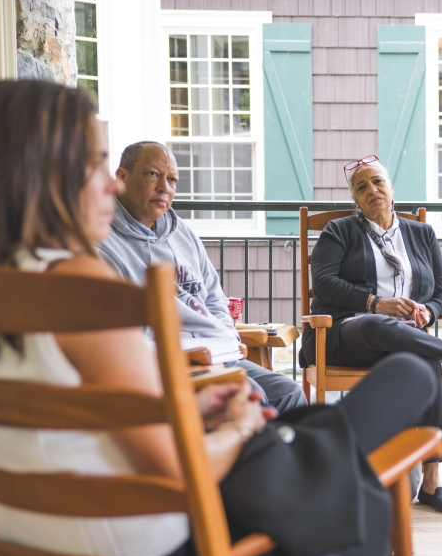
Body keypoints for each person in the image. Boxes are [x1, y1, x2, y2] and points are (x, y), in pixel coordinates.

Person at [0, 80, 440, 556]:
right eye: (98, 163)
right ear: (43, 175)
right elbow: (177, 472)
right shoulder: (74, 286)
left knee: (311, 431)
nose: (113, 182)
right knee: (373, 427)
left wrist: (194, 414)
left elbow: (77, 435)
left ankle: (315, 448)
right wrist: (236, 427)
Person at [302, 154, 442, 513]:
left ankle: (432, 482)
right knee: (381, 325)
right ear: (355, 200)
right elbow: (325, 284)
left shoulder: (422, 233)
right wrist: (376, 303)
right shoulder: (340, 231)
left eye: (377, 181)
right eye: (361, 187)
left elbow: (440, 292)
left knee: (427, 363)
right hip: (348, 334)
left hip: (409, 338)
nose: (372, 190)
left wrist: (428, 311)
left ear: (392, 189)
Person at [96, 141, 308, 415]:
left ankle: (289, 455)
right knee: (253, 397)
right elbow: (122, 337)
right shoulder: (102, 244)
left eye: (172, 179)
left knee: (289, 392)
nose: (165, 187)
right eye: (152, 175)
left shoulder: (181, 233)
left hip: (218, 352)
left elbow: (214, 298)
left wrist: (228, 338)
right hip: (168, 362)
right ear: (122, 177)